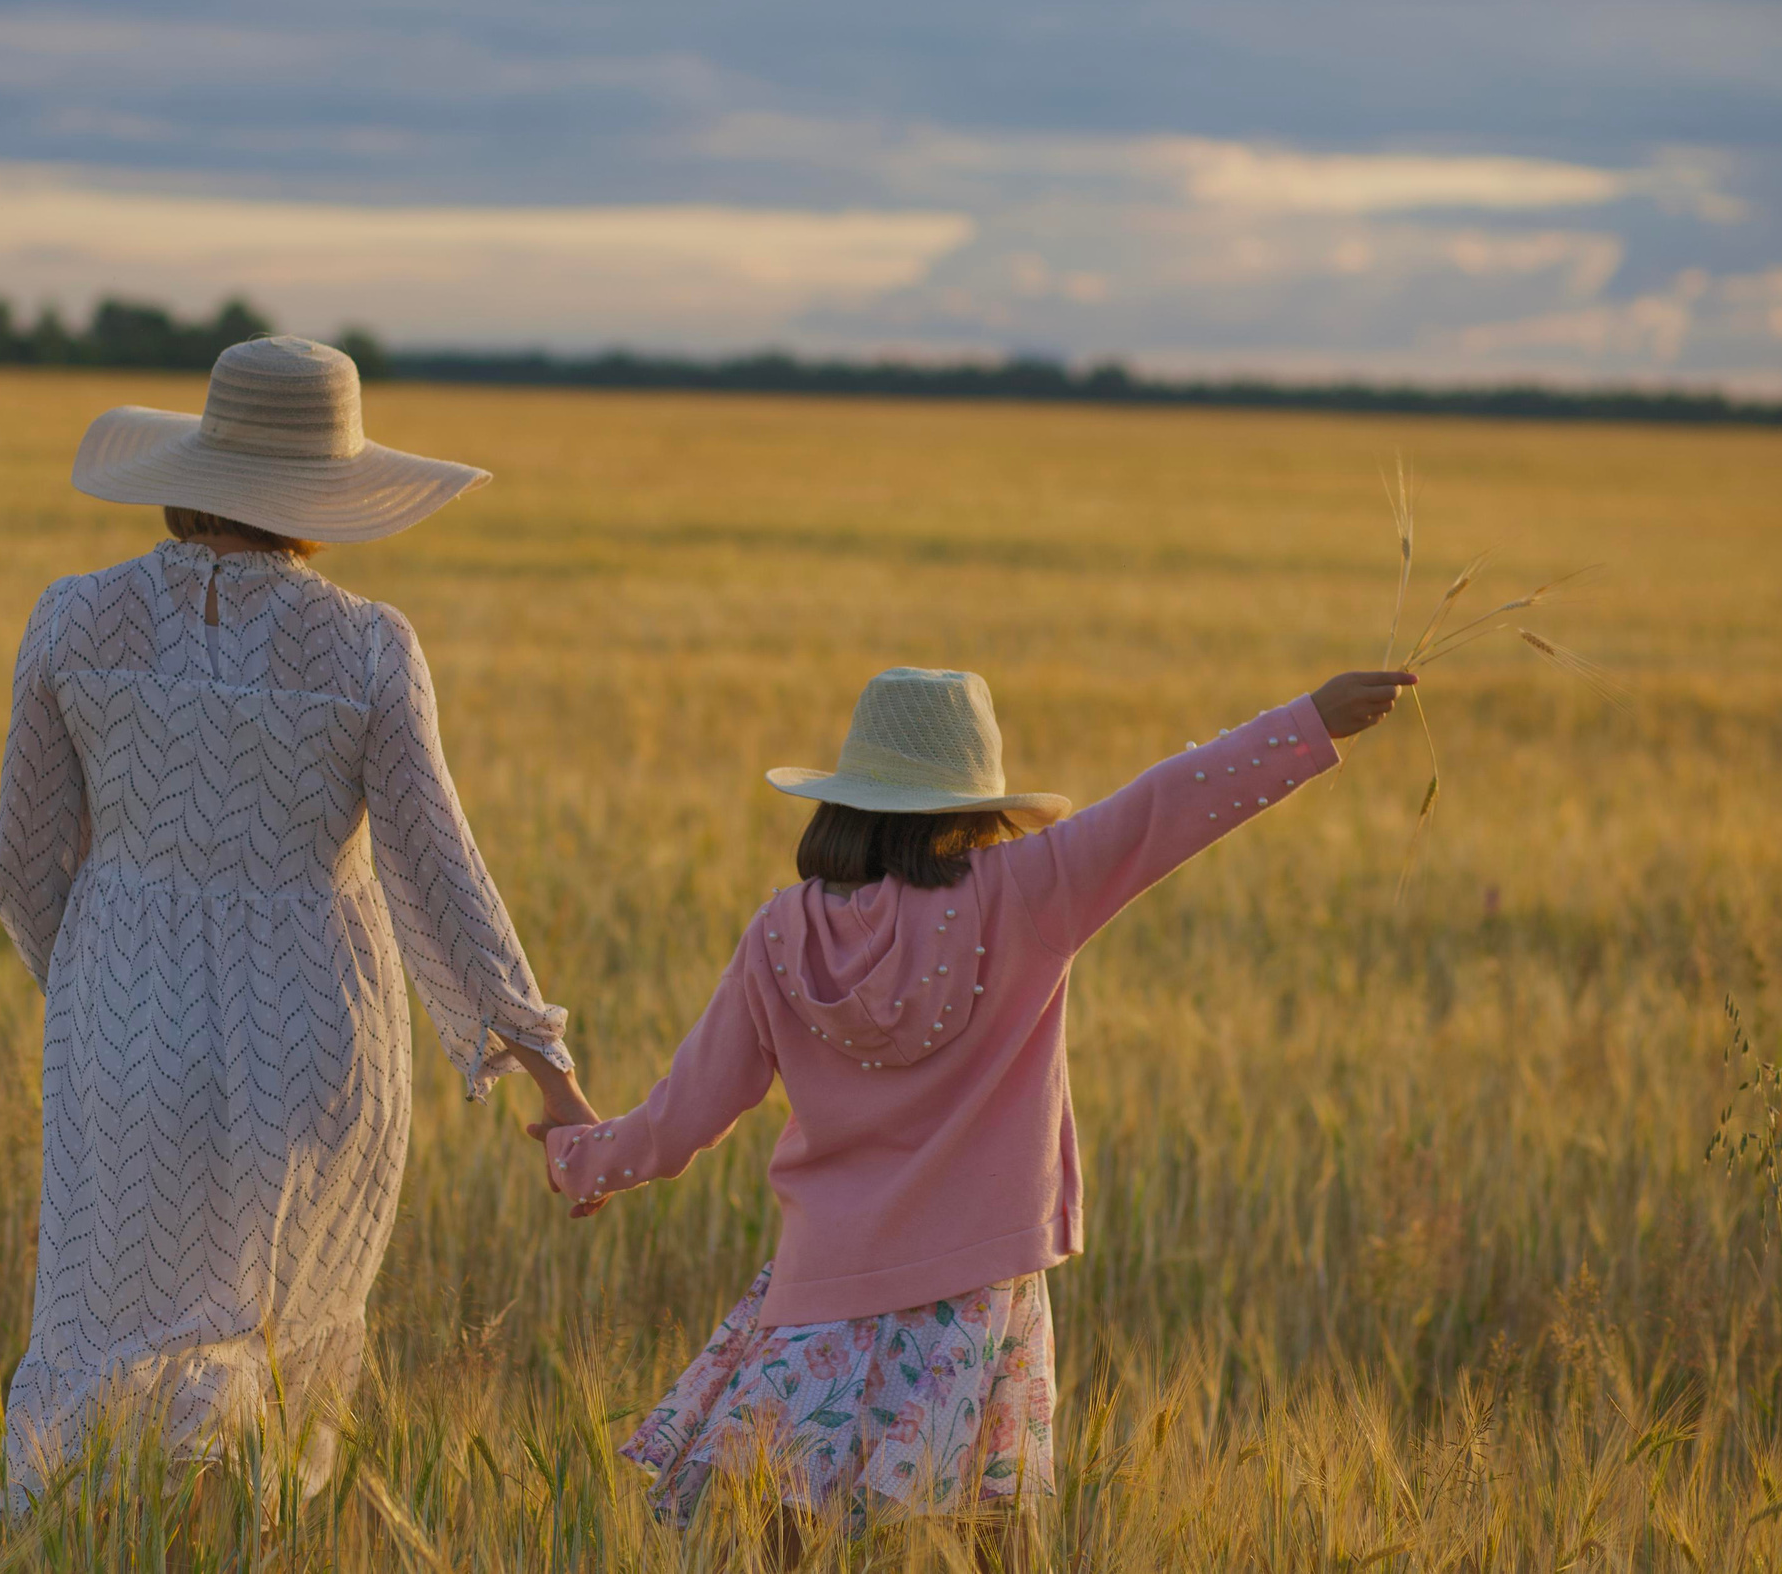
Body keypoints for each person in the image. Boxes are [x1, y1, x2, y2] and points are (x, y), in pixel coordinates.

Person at [534, 663, 1412, 1549]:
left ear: (848, 799)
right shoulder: (1029, 889)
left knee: (776, 1538)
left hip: (821, 1290)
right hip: (977, 1299)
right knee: (985, 1544)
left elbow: (682, 1116)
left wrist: (582, 1157)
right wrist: (1310, 722)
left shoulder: (778, 933)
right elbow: (1163, 806)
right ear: (976, 805)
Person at [0, 334, 596, 1506]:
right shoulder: (370, 646)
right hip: (313, 1032)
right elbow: (439, 873)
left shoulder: (70, 619)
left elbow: (22, 869)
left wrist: (106, 987)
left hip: (119, 1019)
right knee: (270, 1342)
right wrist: (546, 1068)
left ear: (195, 469)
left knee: (101, 1337)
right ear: (326, 494)